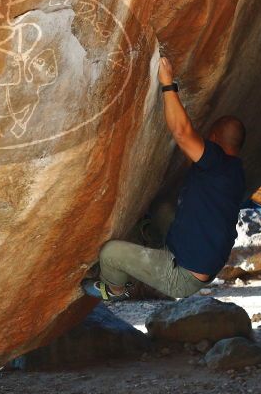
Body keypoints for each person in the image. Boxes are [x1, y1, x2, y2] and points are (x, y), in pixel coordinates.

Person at [82, 56, 247, 300]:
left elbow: (182, 133)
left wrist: (168, 84)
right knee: (161, 209)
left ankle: (114, 289)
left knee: (111, 253)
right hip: (201, 261)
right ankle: (152, 246)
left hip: (182, 275)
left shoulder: (214, 162)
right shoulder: (234, 171)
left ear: (212, 137)